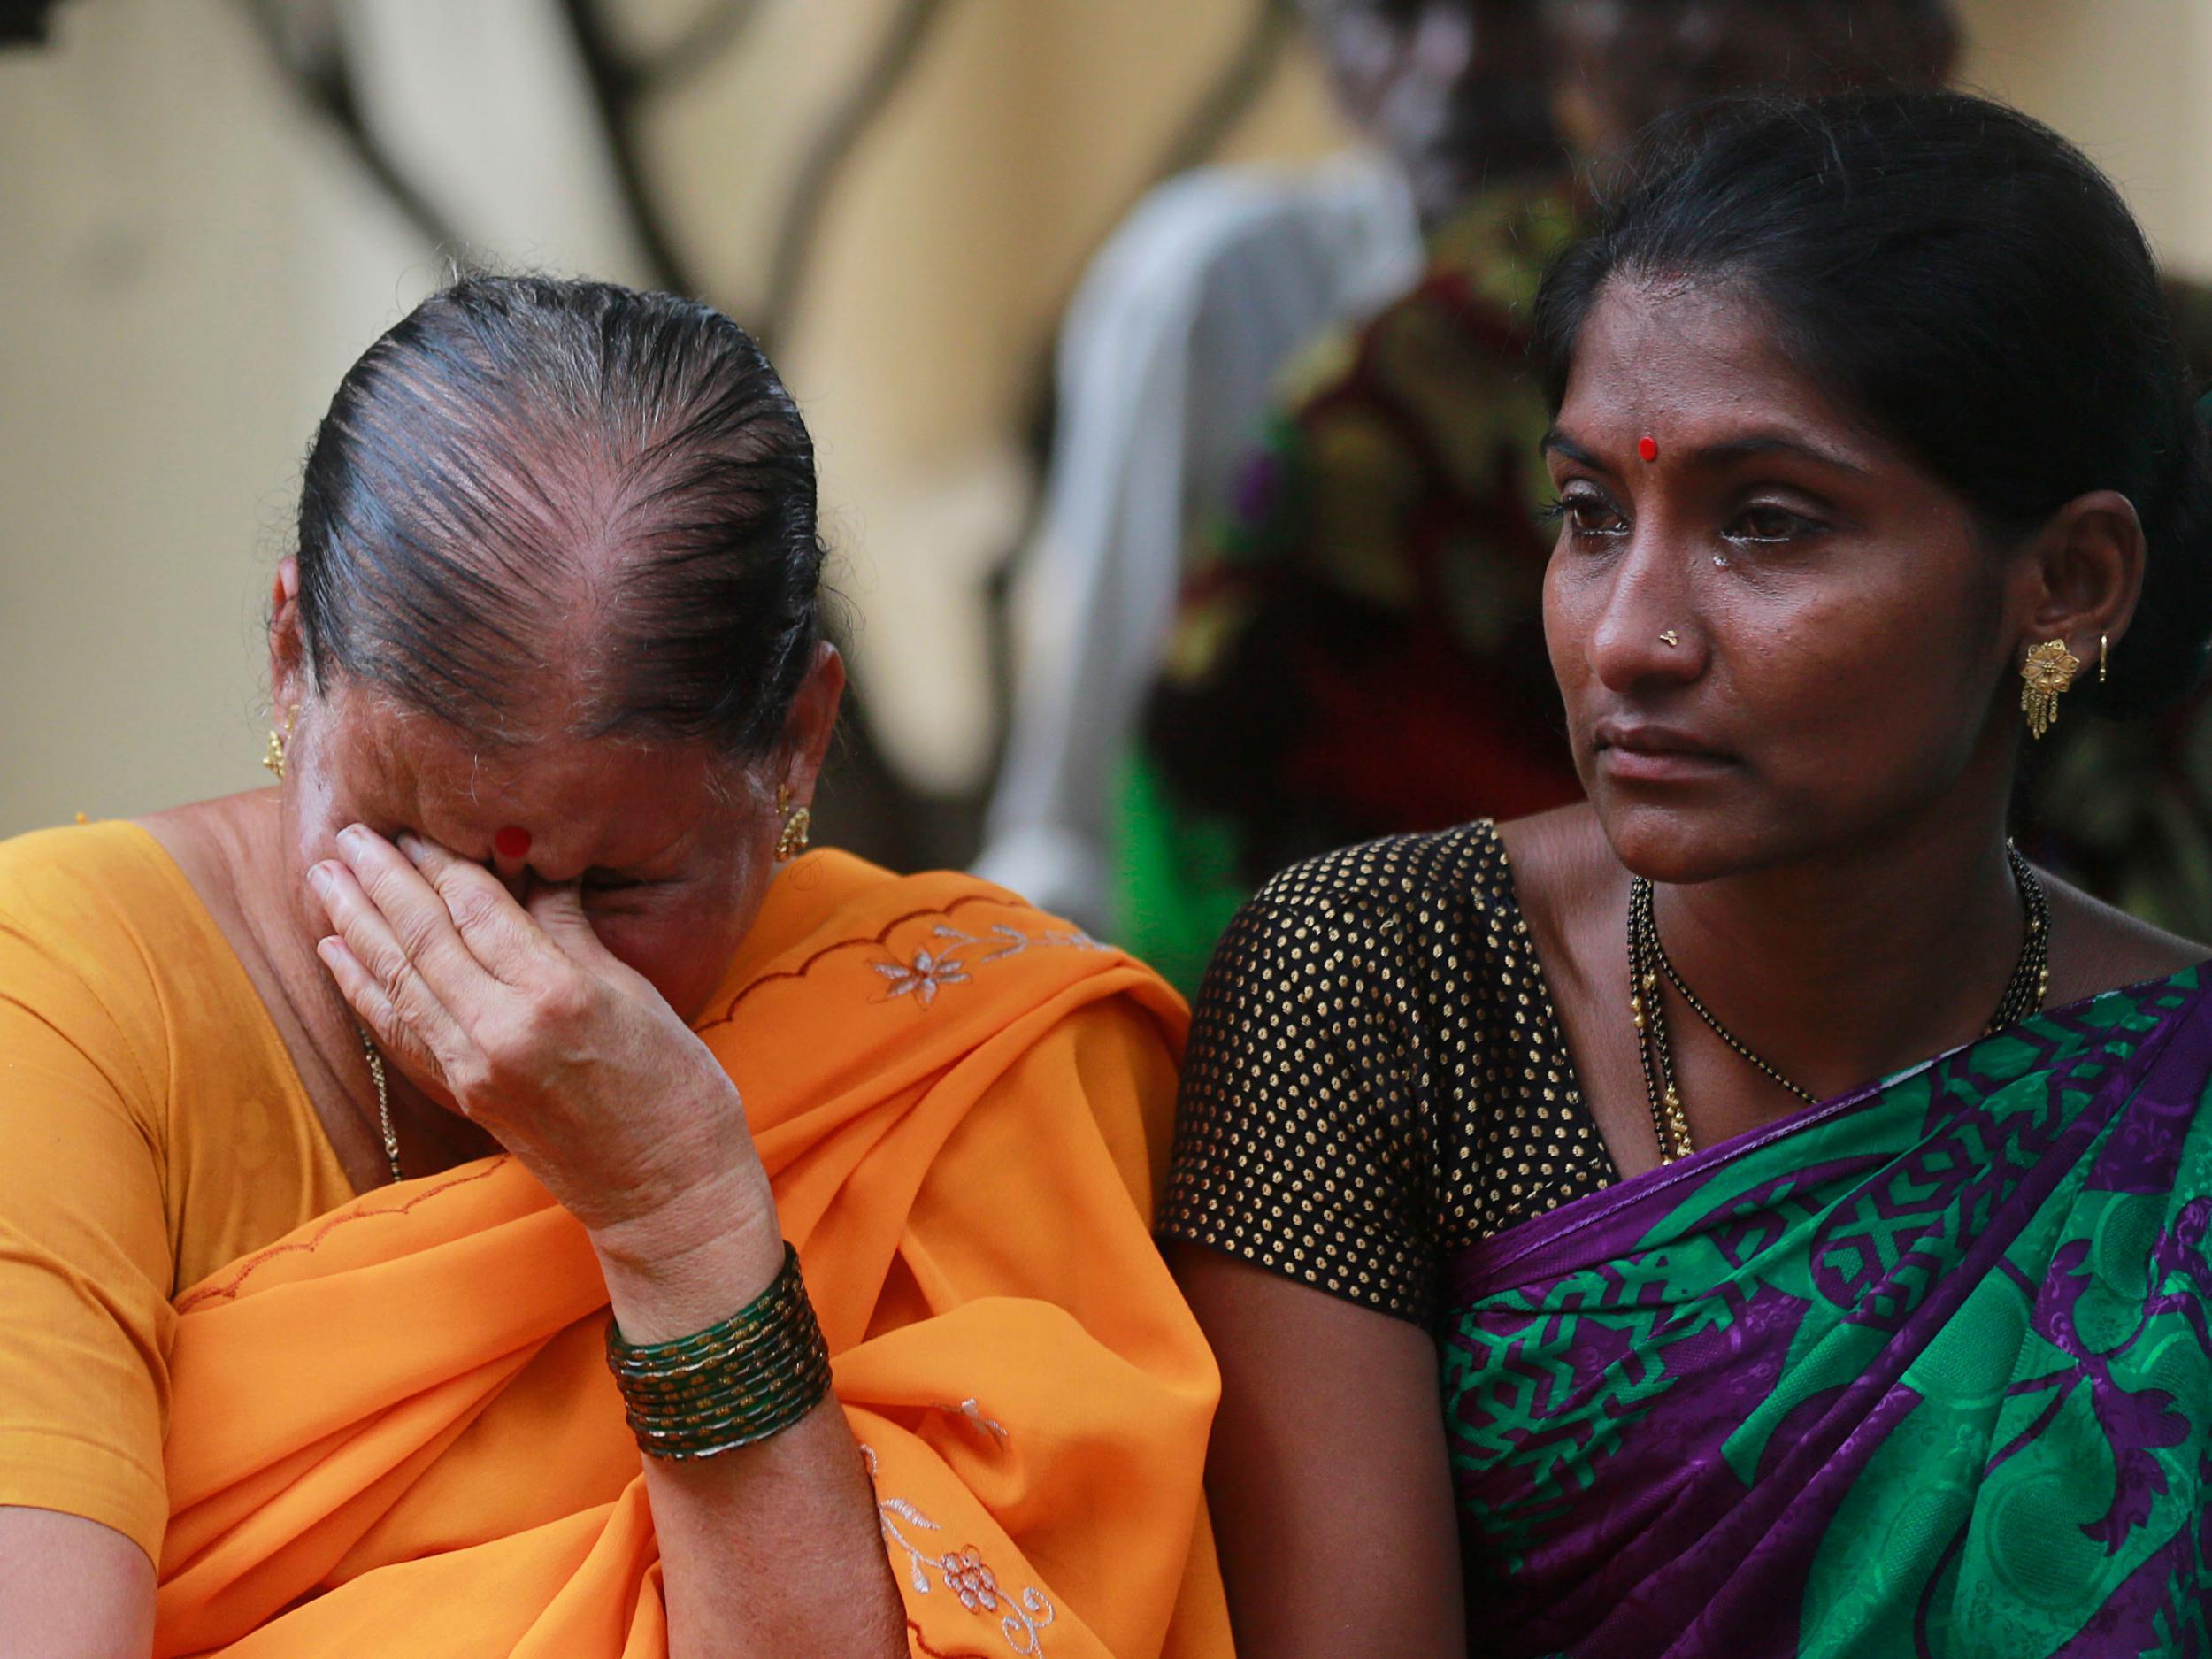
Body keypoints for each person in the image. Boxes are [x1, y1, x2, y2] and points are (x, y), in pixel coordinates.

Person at [0, 278, 1229, 1658]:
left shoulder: (963, 1048)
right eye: (413, 845)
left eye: (616, 883)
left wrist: (681, 1217)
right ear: (292, 661)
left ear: (799, 743)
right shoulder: (59, 996)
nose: (516, 966)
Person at [1161, 90, 2212, 1655]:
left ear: (2067, 582)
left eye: (1768, 525)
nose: (1630, 639)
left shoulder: (2177, 1111)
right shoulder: (1385, 988)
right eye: (1589, 514)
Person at [1126, 0, 1961, 989]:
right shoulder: (1404, 386)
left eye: (1770, 524)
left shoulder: (2131, 372)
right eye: (1584, 515)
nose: (1700, 34)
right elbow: (1213, 820)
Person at [973, 0, 1552, 934]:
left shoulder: (1706, 301)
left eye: (1515, 8)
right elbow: (1083, 795)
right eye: (1396, 11)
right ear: (1321, 47)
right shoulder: (1221, 285)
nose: (1464, 59)